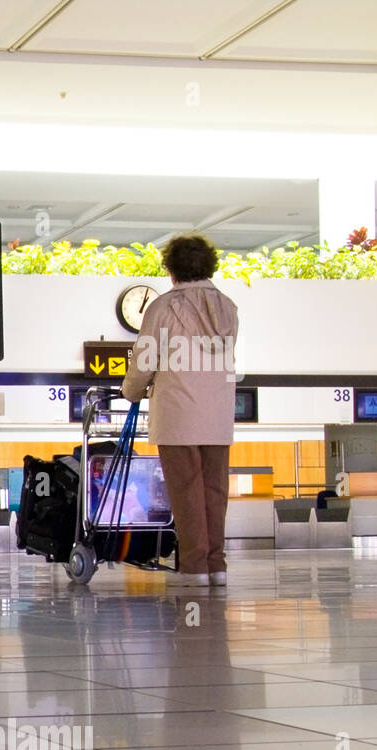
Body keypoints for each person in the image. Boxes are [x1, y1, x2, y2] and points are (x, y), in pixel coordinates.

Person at [121, 234, 239, 588]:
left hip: (178, 415)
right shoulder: (228, 307)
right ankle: (216, 564)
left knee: (186, 491)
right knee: (215, 491)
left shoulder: (163, 308)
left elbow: (144, 362)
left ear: (172, 270)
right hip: (218, 416)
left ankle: (193, 566)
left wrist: (131, 392)